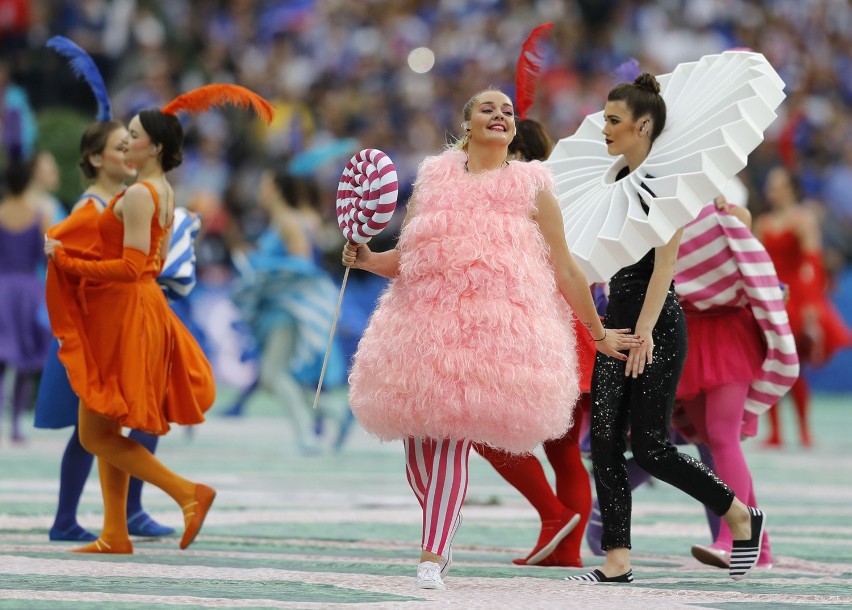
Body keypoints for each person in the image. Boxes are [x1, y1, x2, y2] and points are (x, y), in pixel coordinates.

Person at [343, 89, 641, 591]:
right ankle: (439, 526)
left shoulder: (532, 183)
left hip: (491, 335)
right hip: (420, 329)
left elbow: (565, 268)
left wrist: (597, 329)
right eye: (488, 108)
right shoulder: (434, 176)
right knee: (421, 456)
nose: (501, 115)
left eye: (508, 111)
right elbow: (406, 256)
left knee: (454, 445)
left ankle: (431, 556)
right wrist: (368, 259)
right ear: (467, 122)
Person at [566, 74, 766, 584]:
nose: (605, 129)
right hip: (616, 322)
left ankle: (739, 514)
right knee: (605, 442)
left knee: (652, 445)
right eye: (605, 119)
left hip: (656, 321)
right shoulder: (612, 182)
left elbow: (664, 266)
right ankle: (617, 561)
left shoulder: (667, 181)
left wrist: (647, 332)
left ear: (644, 124)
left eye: (614, 121)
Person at [43, 106, 219, 554]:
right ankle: (114, 533)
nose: (126, 142)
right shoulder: (159, 188)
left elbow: (132, 266)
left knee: (94, 434)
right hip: (134, 309)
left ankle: (186, 493)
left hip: (125, 311)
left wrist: (65, 259)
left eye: (133, 136)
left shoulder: (141, 193)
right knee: (107, 428)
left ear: (155, 147)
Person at [34, 119, 175, 541]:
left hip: (123, 321)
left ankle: (113, 514)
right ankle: (88, 517)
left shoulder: (131, 198)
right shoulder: (91, 207)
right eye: (120, 145)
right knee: (98, 427)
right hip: (99, 330)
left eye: (132, 141)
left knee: (118, 422)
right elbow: (70, 271)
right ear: (96, 158)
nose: (129, 150)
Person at [472, 117, 594, 568]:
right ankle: (565, 548)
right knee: (561, 450)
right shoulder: (561, 195)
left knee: (479, 428)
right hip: (564, 327)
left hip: (535, 329)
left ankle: (554, 517)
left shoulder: (522, 196)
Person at [675, 195, 789, 570]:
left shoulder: (721, 209)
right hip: (687, 334)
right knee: (711, 442)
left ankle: (732, 538)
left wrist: (734, 216)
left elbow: (749, 251)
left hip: (727, 334)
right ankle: (762, 547)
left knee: (722, 437)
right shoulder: (647, 208)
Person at [231, 168, 347, 454]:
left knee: (273, 374)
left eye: (265, 185)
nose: (260, 190)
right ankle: (333, 412)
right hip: (274, 309)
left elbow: (302, 264)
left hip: (286, 310)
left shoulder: (288, 221)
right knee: (274, 378)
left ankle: (309, 435)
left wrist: (259, 266)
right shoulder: (279, 221)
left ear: (277, 189)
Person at [754, 166, 852, 448]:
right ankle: (774, 432)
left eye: (778, 185)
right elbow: (757, 263)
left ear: (791, 188)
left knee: (792, 364)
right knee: (769, 363)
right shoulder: (763, 222)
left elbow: (812, 263)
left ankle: (804, 430)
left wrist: (811, 304)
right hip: (772, 296)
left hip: (795, 297)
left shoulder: (803, 220)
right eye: (770, 185)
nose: (771, 190)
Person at [0, 155, 52, 443]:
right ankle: (16, 425)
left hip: (2, 289)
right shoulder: (38, 215)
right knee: (25, 361)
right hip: (28, 293)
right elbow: (47, 257)